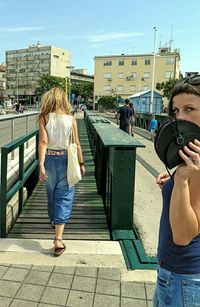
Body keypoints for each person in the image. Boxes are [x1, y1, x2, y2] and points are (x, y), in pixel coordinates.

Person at [153, 75, 200, 306]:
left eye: (189, 108)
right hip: (176, 275)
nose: (180, 117)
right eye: (176, 110)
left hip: (184, 279)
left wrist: (180, 180)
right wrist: (173, 182)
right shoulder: (192, 161)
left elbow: (182, 236)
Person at [38, 87, 85, 257]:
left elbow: (43, 142)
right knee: (64, 196)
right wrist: (81, 162)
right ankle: (58, 240)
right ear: (64, 100)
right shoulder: (71, 119)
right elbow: (77, 143)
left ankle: (53, 220)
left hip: (49, 160)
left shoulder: (43, 118)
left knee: (51, 193)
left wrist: (41, 164)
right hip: (66, 160)